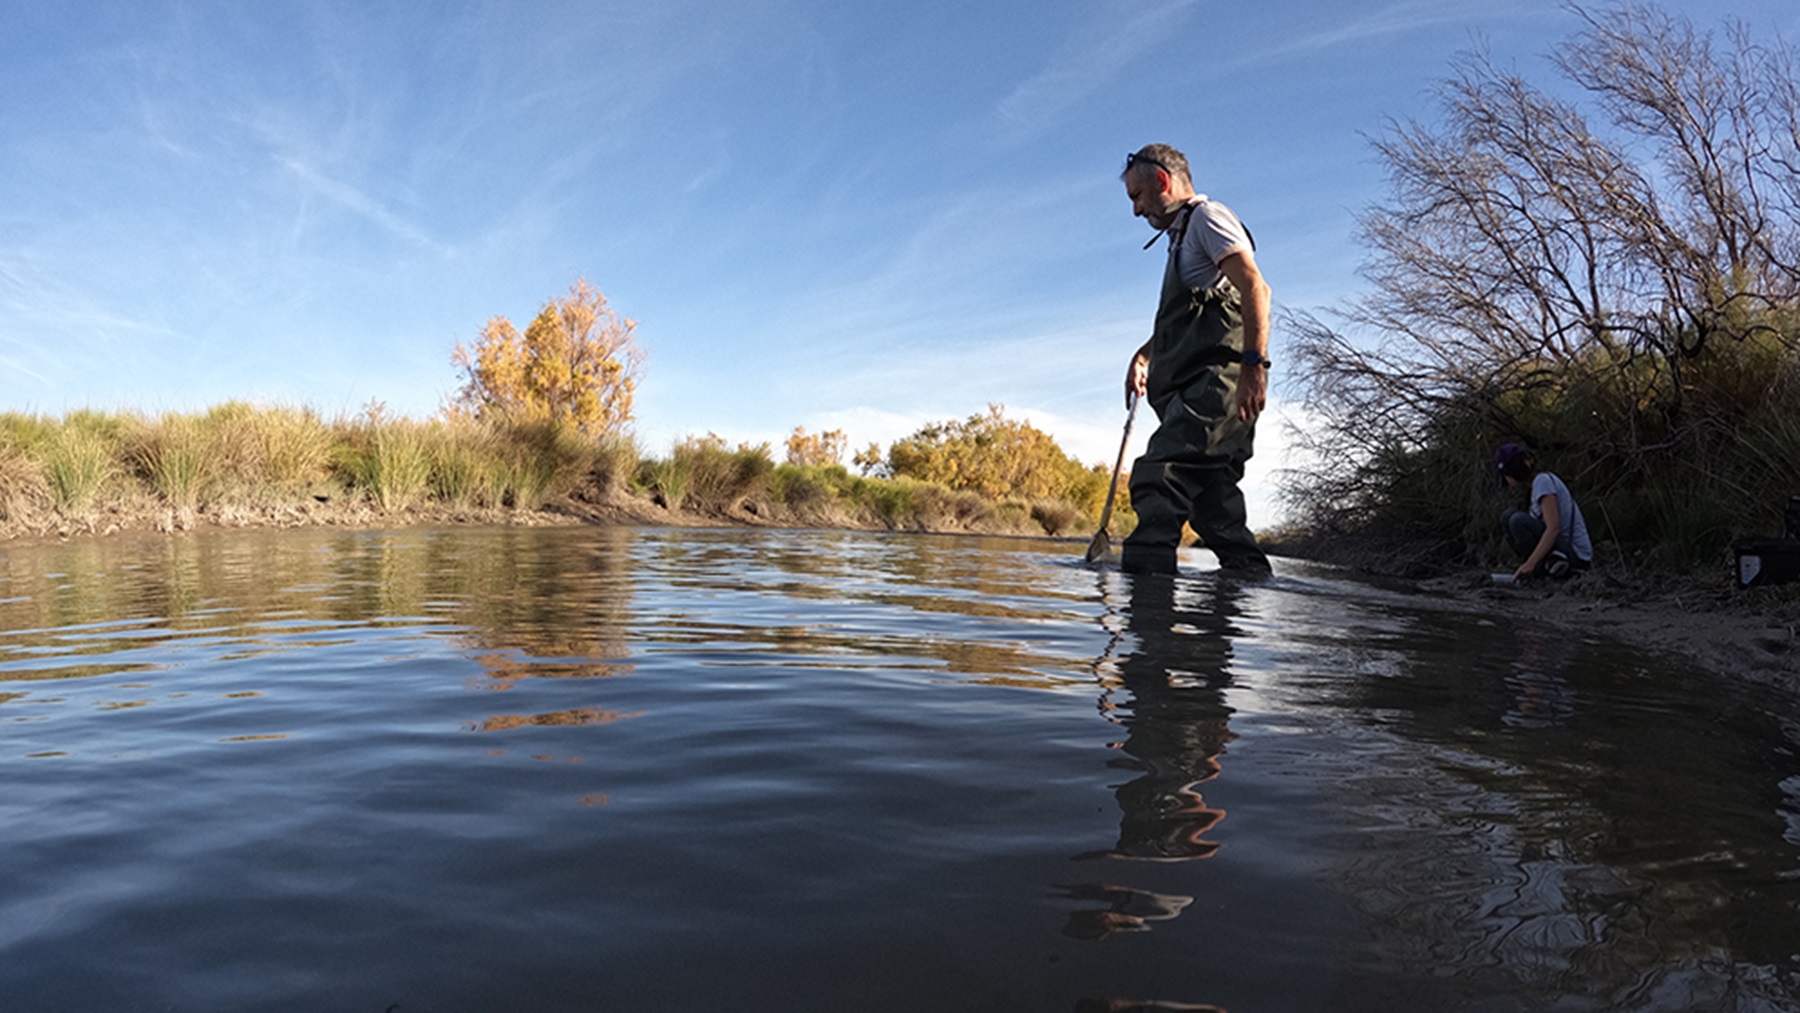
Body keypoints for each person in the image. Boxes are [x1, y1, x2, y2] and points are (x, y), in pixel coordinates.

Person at [1117, 144, 1272, 576]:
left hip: (1218, 393)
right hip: (1201, 395)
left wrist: (1253, 368)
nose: (1136, 211)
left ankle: (1144, 610)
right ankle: (1248, 588)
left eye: (1137, 197)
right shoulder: (1182, 236)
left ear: (1163, 182)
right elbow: (1192, 316)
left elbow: (1256, 289)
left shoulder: (1208, 218)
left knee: (1158, 477)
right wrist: (1146, 354)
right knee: (1213, 509)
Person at [1494, 442, 1593, 579]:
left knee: (1518, 521)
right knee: (1507, 517)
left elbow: (1553, 529)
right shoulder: (1533, 489)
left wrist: (1530, 563)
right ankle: (1541, 567)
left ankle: (1538, 569)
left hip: (1576, 558)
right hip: (1560, 551)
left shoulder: (1543, 482)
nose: (1509, 485)